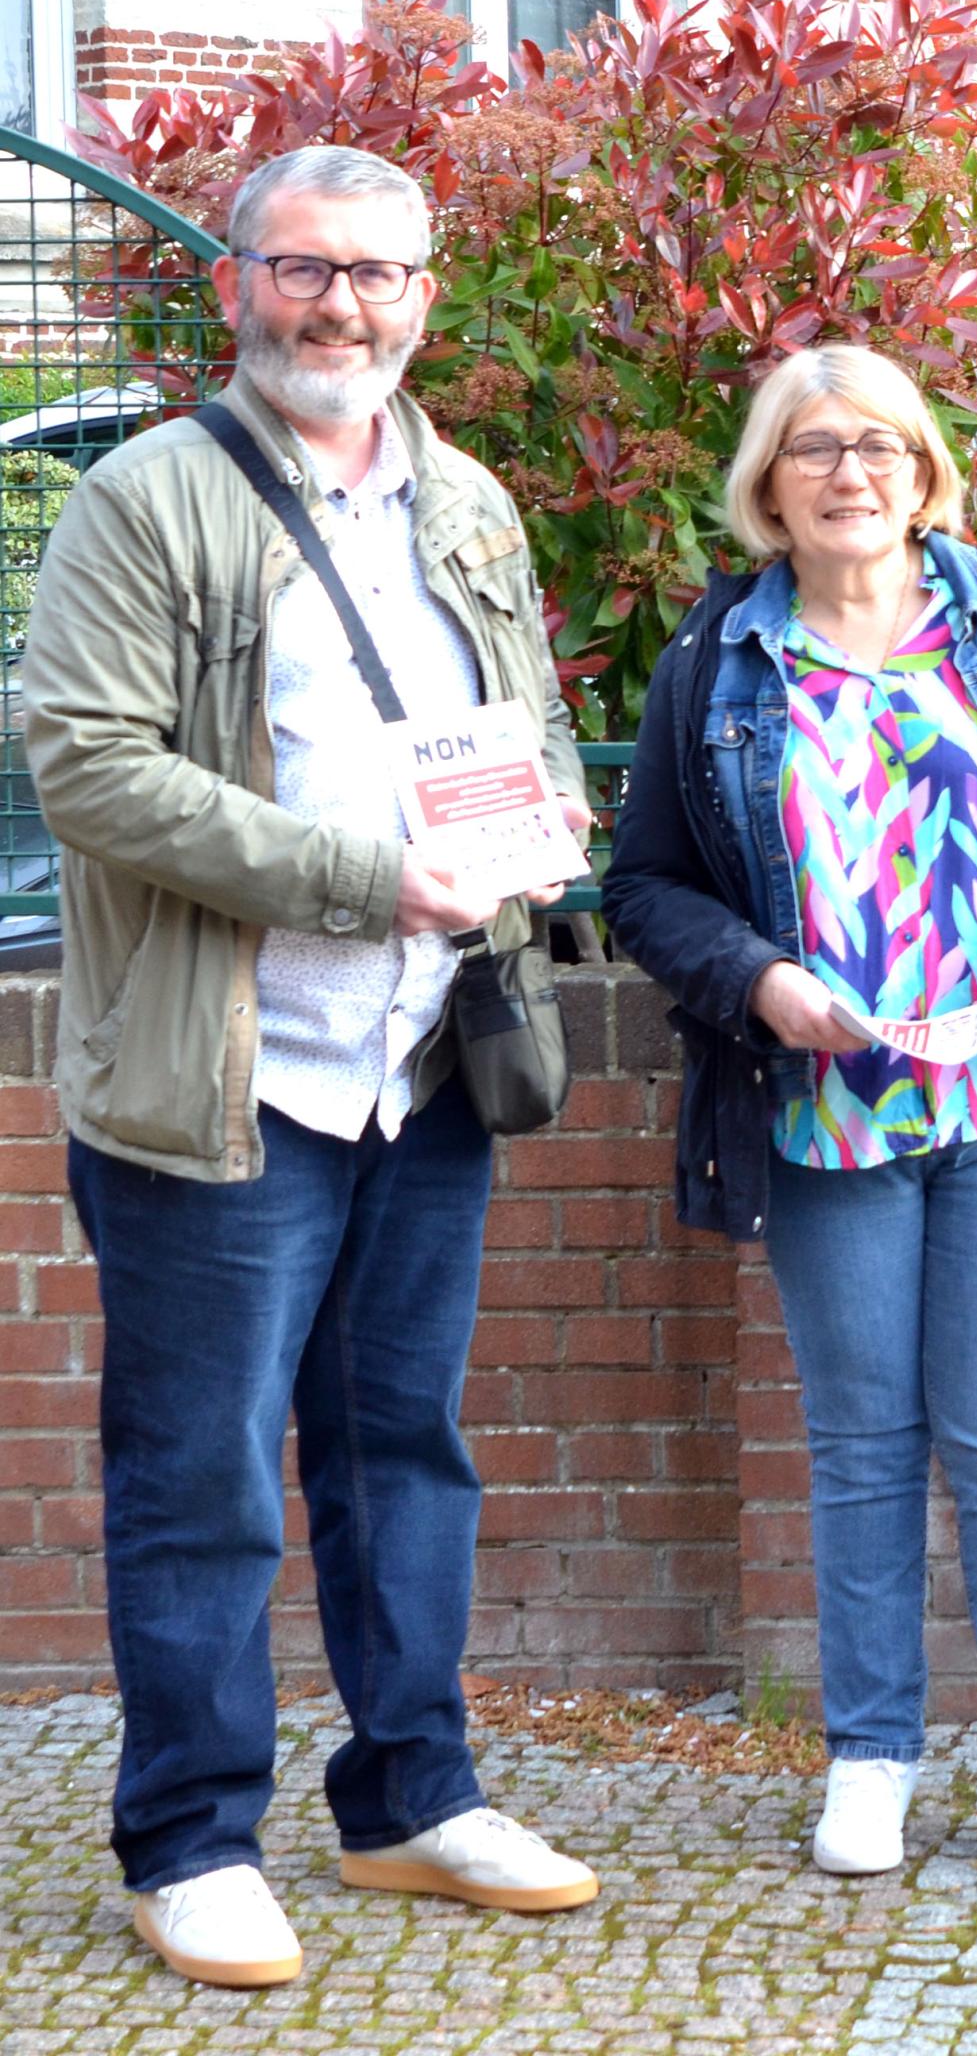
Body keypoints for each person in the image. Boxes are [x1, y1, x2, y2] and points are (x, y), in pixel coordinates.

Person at [22, 145, 601, 1988]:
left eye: (375, 273)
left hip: (420, 1063)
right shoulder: (148, 496)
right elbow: (90, 767)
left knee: (403, 1454)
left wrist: (541, 829)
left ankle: (412, 1799)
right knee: (202, 1479)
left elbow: (528, 731)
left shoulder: (472, 502)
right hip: (227, 1073)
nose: (339, 305)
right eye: (302, 268)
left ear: (425, 295)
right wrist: (365, 876)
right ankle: (189, 1840)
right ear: (236, 286)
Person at [601, 345, 977, 1891]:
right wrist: (761, 982)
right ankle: (870, 1759)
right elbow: (643, 882)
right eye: (811, 449)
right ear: (767, 484)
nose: (847, 473)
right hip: (823, 1105)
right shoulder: (719, 659)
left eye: (876, 445)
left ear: (924, 471)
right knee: (860, 1450)